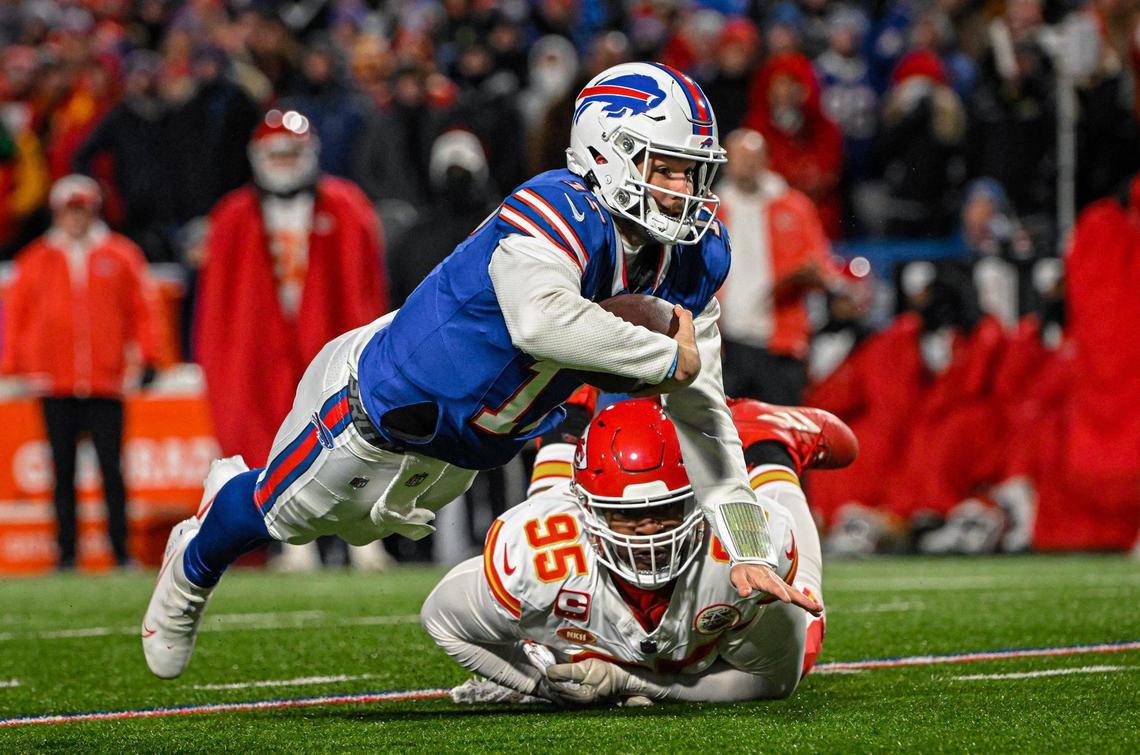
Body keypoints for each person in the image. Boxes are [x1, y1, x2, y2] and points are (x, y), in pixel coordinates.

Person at [143, 61, 803, 679]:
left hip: (473, 442)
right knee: (287, 515)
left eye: (693, 172)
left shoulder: (691, 257)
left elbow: (704, 413)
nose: (684, 190)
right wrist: (665, 356)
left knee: (367, 529)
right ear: (610, 152)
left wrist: (745, 543)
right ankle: (196, 554)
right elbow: (541, 320)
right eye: (667, 168)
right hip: (378, 402)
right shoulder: (557, 205)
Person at [422, 398, 856, 706]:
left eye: (666, 509)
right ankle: (569, 406)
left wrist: (625, 681)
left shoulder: (737, 554)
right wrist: (541, 684)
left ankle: (770, 445)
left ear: (697, 499)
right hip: (581, 546)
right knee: (549, 609)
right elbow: (440, 619)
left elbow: (772, 680)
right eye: (626, 515)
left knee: (806, 633)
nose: (649, 529)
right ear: (586, 510)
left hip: (708, 637)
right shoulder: (543, 550)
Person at [1, 175, 168, 569]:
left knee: (112, 469)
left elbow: (143, 310)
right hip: (54, 380)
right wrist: (15, 366)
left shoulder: (121, 255)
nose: (76, 219)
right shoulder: (36, 260)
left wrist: (148, 357)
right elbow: (16, 319)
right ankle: (66, 552)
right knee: (62, 471)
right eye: (69, 211)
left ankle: (121, 550)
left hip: (105, 380)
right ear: (58, 213)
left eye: (82, 210)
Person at [716, 128, 835, 405]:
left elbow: (821, 265)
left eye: (754, 157)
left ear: (767, 160)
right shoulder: (710, 210)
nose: (748, 165)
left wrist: (802, 276)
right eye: (741, 157)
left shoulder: (794, 207)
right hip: (727, 341)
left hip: (780, 340)